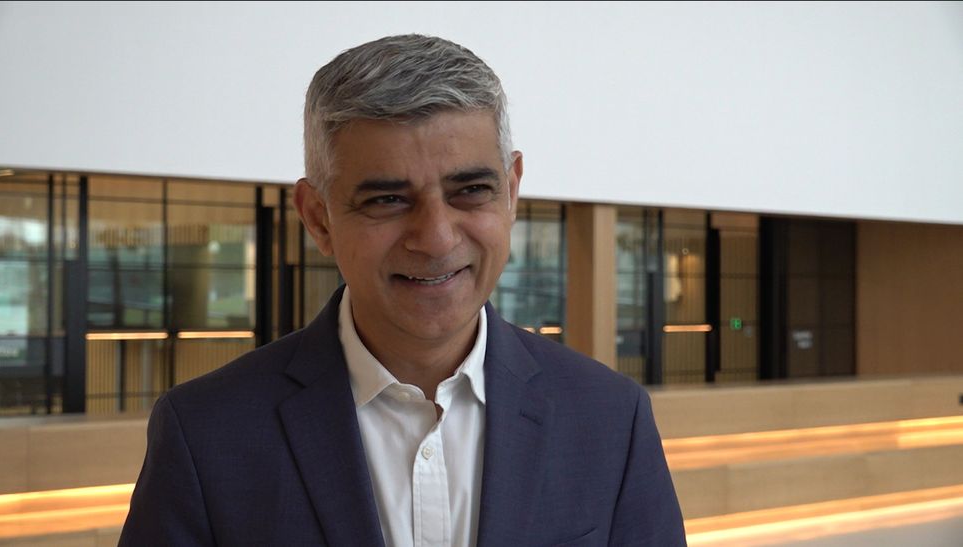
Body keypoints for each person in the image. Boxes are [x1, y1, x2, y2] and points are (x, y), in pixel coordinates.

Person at [119, 34, 685, 546]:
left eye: (470, 190)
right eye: (387, 199)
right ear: (317, 218)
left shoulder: (611, 419)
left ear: (511, 192)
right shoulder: (205, 433)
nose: (436, 239)